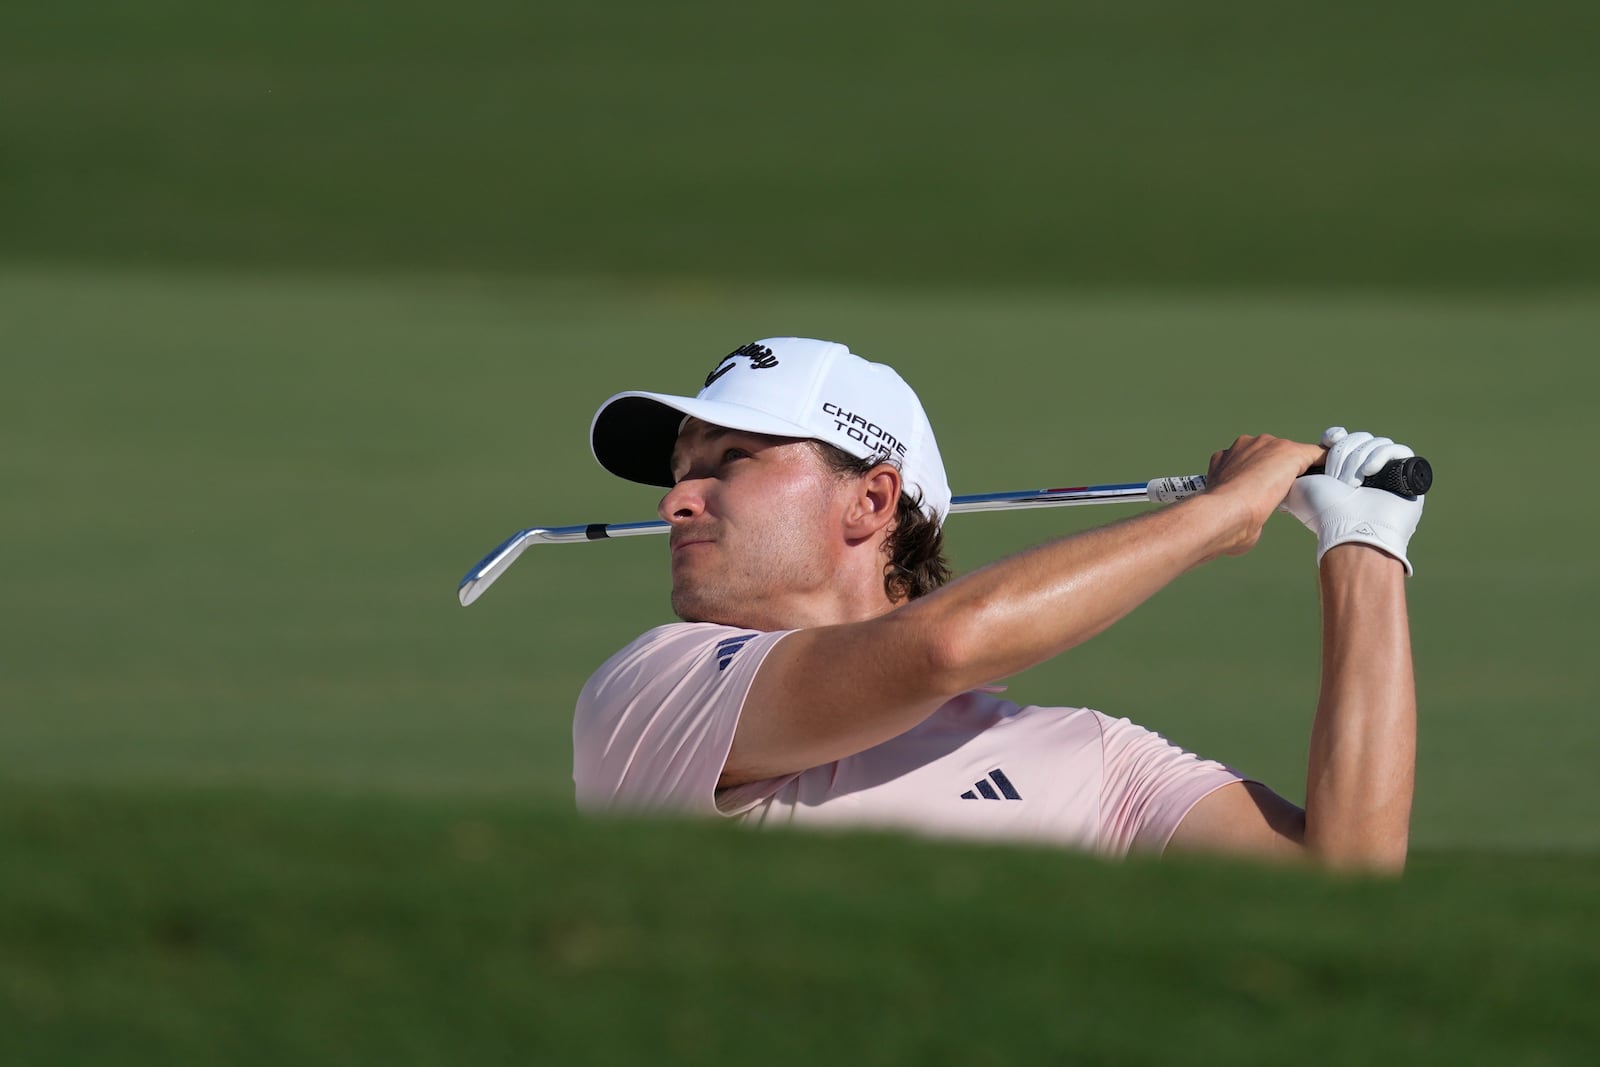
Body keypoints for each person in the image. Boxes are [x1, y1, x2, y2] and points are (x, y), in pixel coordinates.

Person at [575, 337, 1423, 870]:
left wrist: (1365, 548)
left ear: (871, 501)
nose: (676, 501)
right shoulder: (653, 686)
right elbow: (945, 647)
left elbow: (1345, 878)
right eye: (682, 471)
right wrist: (1215, 518)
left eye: (727, 460)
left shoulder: (1094, 760)